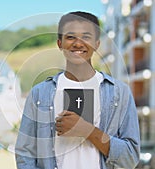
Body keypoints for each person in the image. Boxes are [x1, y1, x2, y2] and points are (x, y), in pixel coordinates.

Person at [15, 11, 140, 169]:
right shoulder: (39, 94)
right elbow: (25, 154)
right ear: (59, 43)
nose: (78, 43)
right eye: (70, 37)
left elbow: (131, 158)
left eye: (86, 37)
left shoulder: (119, 93)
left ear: (96, 44)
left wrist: (88, 130)